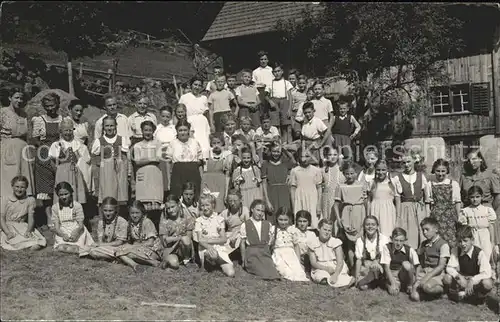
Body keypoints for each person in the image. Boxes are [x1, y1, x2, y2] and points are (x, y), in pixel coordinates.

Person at [32, 92, 63, 227]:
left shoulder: (63, 119)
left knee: (60, 184)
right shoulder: (39, 120)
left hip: (60, 154)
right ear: (44, 106)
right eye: (48, 106)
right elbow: (35, 139)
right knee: (46, 187)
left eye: (53, 105)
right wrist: (46, 150)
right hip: (44, 155)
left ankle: (61, 214)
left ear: (58, 105)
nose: (51, 108)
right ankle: (49, 216)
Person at [460, 148, 500, 246]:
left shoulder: (490, 175)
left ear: (480, 159)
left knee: (489, 244)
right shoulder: (464, 177)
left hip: (486, 212)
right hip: (469, 212)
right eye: (468, 160)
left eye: (474, 159)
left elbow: (498, 196)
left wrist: (489, 209)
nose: (471, 162)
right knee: (471, 243)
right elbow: (461, 195)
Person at [444, 225, 494, 302]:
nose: (463, 244)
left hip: (475, 280)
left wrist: (472, 280)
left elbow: (487, 273)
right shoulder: (456, 250)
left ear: (472, 240)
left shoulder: (479, 253)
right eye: (460, 241)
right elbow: (449, 267)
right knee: (447, 278)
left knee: (487, 283)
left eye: (465, 241)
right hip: (462, 280)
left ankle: (478, 296)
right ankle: (457, 294)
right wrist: (459, 276)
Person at [0, 88, 34, 198]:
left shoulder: (24, 114)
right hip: (8, 149)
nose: (19, 101)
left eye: (21, 98)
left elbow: (27, 134)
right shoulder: (3, 112)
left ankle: (23, 207)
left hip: (23, 151)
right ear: (10, 98)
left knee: (23, 178)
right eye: (16, 98)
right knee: (10, 177)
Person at [393, 151, 430, 249]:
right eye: (404, 163)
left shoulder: (421, 176)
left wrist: (427, 213)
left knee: (422, 234)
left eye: (409, 162)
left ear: (414, 161)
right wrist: (398, 217)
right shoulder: (398, 178)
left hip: (420, 209)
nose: (406, 165)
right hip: (406, 209)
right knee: (410, 235)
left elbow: (427, 197)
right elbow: (398, 200)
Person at [91, 116, 130, 205]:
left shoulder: (121, 139)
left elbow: (125, 157)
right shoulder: (99, 141)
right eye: (107, 126)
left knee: (120, 194)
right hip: (106, 172)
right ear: (103, 127)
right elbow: (95, 159)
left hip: (119, 171)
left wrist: (126, 172)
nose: (109, 128)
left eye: (112, 125)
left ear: (116, 126)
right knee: (107, 193)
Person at [334, 161, 367, 267]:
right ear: (343, 174)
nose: (349, 176)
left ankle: (360, 266)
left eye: (352, 173)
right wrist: (338, 219)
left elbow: (366, 203)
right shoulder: (341, 186)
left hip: (359, 213)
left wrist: (367, 217)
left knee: (359, 241)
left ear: (356, 173)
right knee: (349, 243)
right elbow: (336, 205)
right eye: (347, 173)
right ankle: (352, 267)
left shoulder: (362, 185)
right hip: (346, 214)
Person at [50, 118, 90, 205]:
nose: (68, 133)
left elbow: (84, 160)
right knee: (63, 191)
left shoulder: (78, 144)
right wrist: (58, 171)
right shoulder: (57, 145)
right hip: (62, 173)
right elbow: (52, 162)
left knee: (74, 192)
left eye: (70, 130)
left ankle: (76, 211)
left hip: (75, 173)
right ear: (61, 131)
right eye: (65, 130)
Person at [194, 193, 235, 277]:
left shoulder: (219, 220)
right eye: (202, 205)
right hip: (206, 248)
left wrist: (209, 240)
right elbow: (200, 240)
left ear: (213, 205)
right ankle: (209, 263)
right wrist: (209, 246)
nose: (205, 208)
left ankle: (216, 262)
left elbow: (224, 239)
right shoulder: (199, 221)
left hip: (219, 248)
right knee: (212, 254)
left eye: (207, 205)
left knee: (231, 273)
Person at [0, 176, 46, 250]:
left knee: (33, 240)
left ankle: (29, 244)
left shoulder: (29, 200)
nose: (19, 189)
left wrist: (29, 230)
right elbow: (1, 218)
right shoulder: (5, 199)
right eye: (17, 187)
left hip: (21, 225)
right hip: (7, 226)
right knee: (12, 239)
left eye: (22, 187)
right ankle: (21, 244)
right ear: (12, 186)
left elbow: (31, 218)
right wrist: (7, 232)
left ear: (26, 188)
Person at [116, 200, 162, 272]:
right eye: (132, 213)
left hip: (153, 251)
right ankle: (135, 265)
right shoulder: (130, 223)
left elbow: (150, 243)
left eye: (137, 213)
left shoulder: (147, 222)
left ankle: (153, 262)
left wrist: (133, 246)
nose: (134, 215)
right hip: (140, 249)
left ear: (142, 213)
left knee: (128, 253)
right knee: (119, 250)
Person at [411, 217, 450, 301]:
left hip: (437, 273)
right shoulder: (424, 243)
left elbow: (441, 266)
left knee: (426, 287)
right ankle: (424, 292)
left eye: (427, 229)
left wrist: (427, 277)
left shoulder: (443, 244)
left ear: (436, 229)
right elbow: (418, 256)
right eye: (423, 230)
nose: (424, 232)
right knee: (415, 297)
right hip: (425, 271)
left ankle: (441, 291)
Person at [240, 199, 281, 280]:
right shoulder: (245, 224)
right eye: (258, 210)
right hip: (252, 252)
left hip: (264, 252)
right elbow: (242, 243)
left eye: (262, 211)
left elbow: (270, 242)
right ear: (252, 209)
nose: (260, 213)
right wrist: (243, 260)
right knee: (260, 269)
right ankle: (262, 272)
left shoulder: (267, 224)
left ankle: (271, 273)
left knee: (272, 269)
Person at [308, 219, 354, 287]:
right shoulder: (312, 243)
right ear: (319, 229)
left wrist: (335, 274)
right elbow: (313, 263)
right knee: (322, 277)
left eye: (329, 230)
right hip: (321, 267)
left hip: (336, 266)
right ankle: (333, 282)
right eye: (325, 229)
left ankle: (345, 280)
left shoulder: (335, 242)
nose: (327, 232)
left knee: (339, 277)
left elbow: (340, 262)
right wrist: (326, 268)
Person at [52, 182, 94, 255]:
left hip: (76, 229)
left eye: (66, 194)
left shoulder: (77, 205)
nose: (64, 197)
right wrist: (62, 235)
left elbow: (80, 225)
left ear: (71, 193)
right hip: (63, 230)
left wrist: (76, 233)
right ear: (57, 195)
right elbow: (57, 227)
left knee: (74, 247)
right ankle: (71, 249)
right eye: (61, 195)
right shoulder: (55, 207)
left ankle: (77, 248)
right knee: (61, 247)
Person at [427, 158, 461, 249]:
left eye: (443, 171)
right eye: (438, 171)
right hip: (436, 216)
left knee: (451, 240)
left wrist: (459, 217)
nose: (441, 174)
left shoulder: (453, 183)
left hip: (450, 217)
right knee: (437, 239)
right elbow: (428, 203)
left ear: (447, 171)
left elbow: (457, 202)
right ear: (434, 170)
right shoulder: (430, 184)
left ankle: (452, 261)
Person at [166, 119, 203, 200]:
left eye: (185, 130)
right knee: (177, 196)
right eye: (180, 130)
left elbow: (200, 162)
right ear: (177, 131)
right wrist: (168, 180)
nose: (183, 132)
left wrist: (201, 179)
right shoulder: (173, 143)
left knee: (194, 196)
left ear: (189, 131)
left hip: (193, 172)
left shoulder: (195, 142)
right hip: (178, 172)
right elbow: (168, 163)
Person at [270, 207, 309, 281]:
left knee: (298, 271)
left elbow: (296, 245)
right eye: (280, 219)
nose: (283, 222)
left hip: (290, 253)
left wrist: (298, 261)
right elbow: (270, 245)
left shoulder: (292, 230)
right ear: (277, 219)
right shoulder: (273, 229)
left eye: (285, 220)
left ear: (289, 219)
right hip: (278, 254)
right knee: (284, 270)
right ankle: (286, 275)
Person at [132, 121, 163, 211]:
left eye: (150, 130)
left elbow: (158, 159)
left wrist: (144, 160)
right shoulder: (137, 145)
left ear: (153, 131)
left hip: (154, 176)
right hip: (143, 175)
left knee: (154, 203)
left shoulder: (158, 143)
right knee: (143, 204)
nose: (148, 132)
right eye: (145, 130)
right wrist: (151, 159)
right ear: (142, 131)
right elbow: (137, 162)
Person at [458, 186, 496, 260]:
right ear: (469, 197)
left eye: (477, 197)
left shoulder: (487, 210)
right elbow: (465, 229)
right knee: (474, 255)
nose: (475, 199)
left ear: (481, 197)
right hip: (473, 235)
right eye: (472, 197)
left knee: (486, 254)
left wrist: (492, 241)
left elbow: (491, 226)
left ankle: (487, 269)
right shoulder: (466, 211)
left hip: (485, 235)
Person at [290, 148, 323, 229]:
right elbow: (292, 189)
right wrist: (294, 207)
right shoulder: (295, 171)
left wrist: (318, 205)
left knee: (315, 224)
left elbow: (319, 188)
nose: (304, 159)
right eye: (301, 156)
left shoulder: (316, 170)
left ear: (311, 156)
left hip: (312, 199)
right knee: (301, 224)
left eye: (307, 156)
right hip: (300, 199)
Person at [159, 194, 195, 269]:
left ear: (178, 205)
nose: (170, 210)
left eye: (173, 207)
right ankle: (168, 260)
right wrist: (179, 238)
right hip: (170, 249)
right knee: (174, 264)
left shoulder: (187, 218)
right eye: (168, 208)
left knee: (185, 240)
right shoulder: (165, 221)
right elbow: (165, 240)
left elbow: (188, 237)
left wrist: (174, 238)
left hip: (184, 249)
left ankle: (187, 259)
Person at [354, 216, 390, 290]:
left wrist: (376, 262)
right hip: (366, 268)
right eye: (367, 224)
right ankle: (373, 282)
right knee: (362, 286)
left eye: (373, 224)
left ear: (377, 226)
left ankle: (379, 279)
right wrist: (357, 276)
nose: (370, 227)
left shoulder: (384, 239)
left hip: (380, 267)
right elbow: (359, 260)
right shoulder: (360, 240)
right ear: (364, 226)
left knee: (375, 269)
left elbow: (386, 259)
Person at [179, 77, 211, 159]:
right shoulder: (184, 97)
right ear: (191, 85)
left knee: (205, 146)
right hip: (190, 122)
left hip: (202, 123)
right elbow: (180, 111)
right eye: (195, 85)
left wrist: (211, 125)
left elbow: (207, 113)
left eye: (199, 85)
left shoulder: (203, 98)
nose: (197, 87)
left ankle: (205, 166)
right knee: (193, 144)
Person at [381, 228, 420, 296]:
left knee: (406, 264)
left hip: (404, 274)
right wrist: (393, 283)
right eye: (396, 240)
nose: (398, 243)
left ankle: (409, 285)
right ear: (391, 238)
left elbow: (417, 265)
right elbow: (386, 267)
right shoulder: (387, 247)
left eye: (401, 241)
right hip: (393, 275)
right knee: (394, 292)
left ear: (405, 240)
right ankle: (389, 284)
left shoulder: (409, 250)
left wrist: (413, 282)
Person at [87, 197, 128, 261]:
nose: (107, 213)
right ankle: (116, 258)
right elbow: (100, 239)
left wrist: (101, 245)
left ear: (116, 210)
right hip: (107, 247)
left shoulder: (122, 222)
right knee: (92, 250)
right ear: (102, 210)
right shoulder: (101, 222)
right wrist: (100, 245)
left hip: (120, 247)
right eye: (105, 210)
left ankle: (117, 257)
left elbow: (120, 242)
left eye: (110, 211)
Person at [65, 99, 92, 193]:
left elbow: (87, 140)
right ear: (70, 109)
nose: (79, 113)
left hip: (83, 154)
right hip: (71, 153)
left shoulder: (84, 123)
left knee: (85, 180)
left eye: (81, 110)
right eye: (76, 110)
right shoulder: (65, 122)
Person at [368, 159, 399, 237]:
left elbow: (398, 201)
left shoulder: (392, 182)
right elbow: (368, 201)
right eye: (378, 170)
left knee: (387, 233)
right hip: (375, 210)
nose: (380, 172)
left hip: (388, 212)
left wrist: (398, 218)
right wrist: (368, 215)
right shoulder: (372, 182)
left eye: (383, 170)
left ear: (387, 170)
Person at [202, 133, 232, 213]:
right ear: (211, 144)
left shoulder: (226, 155)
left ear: (222, 143)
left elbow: (227, 175)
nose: (216, 145)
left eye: (218, 143)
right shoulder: (206, 153)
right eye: (214, 143)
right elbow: (203, 170)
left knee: (219, 207)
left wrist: (226, 192)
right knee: (207, 206)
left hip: (220, 184)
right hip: (207, 183)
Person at [262, 142, 294, 215]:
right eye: (274, 151)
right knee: (273, 215)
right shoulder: (265, 164)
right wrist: (267, 201)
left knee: (285, 214)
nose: (276, 154)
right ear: (270, 151)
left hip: (284, 193)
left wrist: (283, 149)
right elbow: (264, 184)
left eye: (278, 152)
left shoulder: (285, 162)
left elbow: (293, 160)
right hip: (271, 194)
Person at [220, 189, 250, 261]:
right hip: (230, 233)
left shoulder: (245, 210)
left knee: (241, 239)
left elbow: (248, 226)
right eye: (230, 201)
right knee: (223, 242)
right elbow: (220, 226)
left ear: (240, 200)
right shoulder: (225, 213)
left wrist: (238, 233)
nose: (232, 203)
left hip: (241, 233)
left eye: (235, 201)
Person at [269, 63, 293, 143]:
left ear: (282, 71)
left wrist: (289, 109)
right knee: (276, 126)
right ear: (273, 73)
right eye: (275, 71)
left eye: (278, 71)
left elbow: (290, 97)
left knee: (286, 126)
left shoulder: (286, 83)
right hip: (274, 103)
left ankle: (287, 144)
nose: (277, 73)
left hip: (284, 102)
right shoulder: (270, 83)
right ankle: (278, 144)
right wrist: (270, 101)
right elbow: (266, 96)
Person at [321, 146, 344, 226]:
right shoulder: (323, 170)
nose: (332, 157)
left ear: (338, 156)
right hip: (327, 199)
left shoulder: (342, 169)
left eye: (335, 154)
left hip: (339, 200)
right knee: (328, 220)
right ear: (326, 156)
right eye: (330, 155)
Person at [289, 75, 308, 140]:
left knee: (305, 133)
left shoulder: (308, 93)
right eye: (300, 83)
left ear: (306, 83)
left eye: (303, 83)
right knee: (297, 133)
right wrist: (292, 119)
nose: (301, 85)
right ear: (297, 84)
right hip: (296, 115)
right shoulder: (294, 93)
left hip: (306, 115)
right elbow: (291, 106)